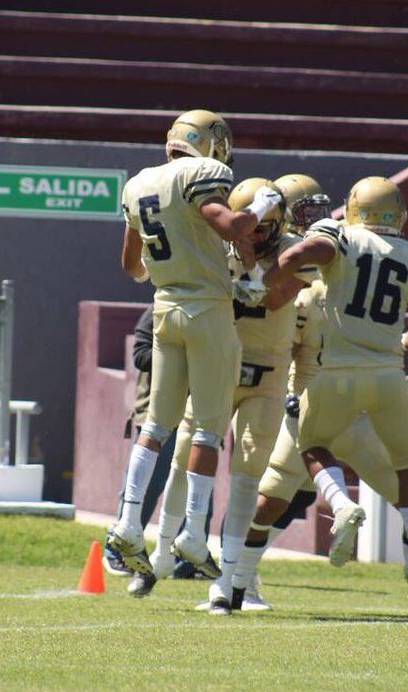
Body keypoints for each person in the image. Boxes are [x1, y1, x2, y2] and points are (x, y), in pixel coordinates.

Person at [244, 176, 408, 613]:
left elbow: (279, 335)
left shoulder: (329, 256)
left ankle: (237, 584)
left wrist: (261, 276)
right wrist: (398, 346)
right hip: (384, 385)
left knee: (276, 490)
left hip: (323, 390)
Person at [110, 109, 283, 576]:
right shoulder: (204, 173)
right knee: (207, 431)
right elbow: (232, 226)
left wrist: (172, 271)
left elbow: (131, 266)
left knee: (157, 426)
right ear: (209, 142)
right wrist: (261, 207)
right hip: (207, 311)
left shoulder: (138, 182)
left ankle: (126, 524)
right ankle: (192, 534)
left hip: (165, 307)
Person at [129, 177, 310, 612]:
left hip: (265, 377)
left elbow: (272, 298)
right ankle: (161, 554)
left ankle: (227, 583)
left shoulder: (293, 250)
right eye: (248, 226)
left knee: (247, 474)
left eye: (260, 227)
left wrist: (247, 265)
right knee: (182, 458)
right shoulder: (216, 246)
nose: (253, 234)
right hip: (219, 369)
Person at [102, 306, 209, 579]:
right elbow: (140, 354)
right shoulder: (161, 306)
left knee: (196, 481)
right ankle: (117, 549)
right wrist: (180, 362)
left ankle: (186, 559)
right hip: (156, 411)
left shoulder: (214, 307)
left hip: (196, 413)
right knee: (146, 484)